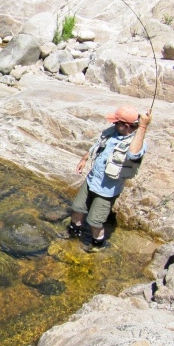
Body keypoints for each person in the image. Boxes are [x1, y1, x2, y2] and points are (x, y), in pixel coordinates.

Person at [68, 105, 152, 249]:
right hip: (91, 181)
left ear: (126, 126)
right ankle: (73, 234)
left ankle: (97, 246)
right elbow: (97, 145)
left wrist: (143, 126)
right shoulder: (112, 132)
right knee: (77, 207)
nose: (113, 123)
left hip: (106, 190)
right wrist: (84, 159)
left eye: (116, 122)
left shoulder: (138, 143)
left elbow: (133, 154)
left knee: (94, 221)